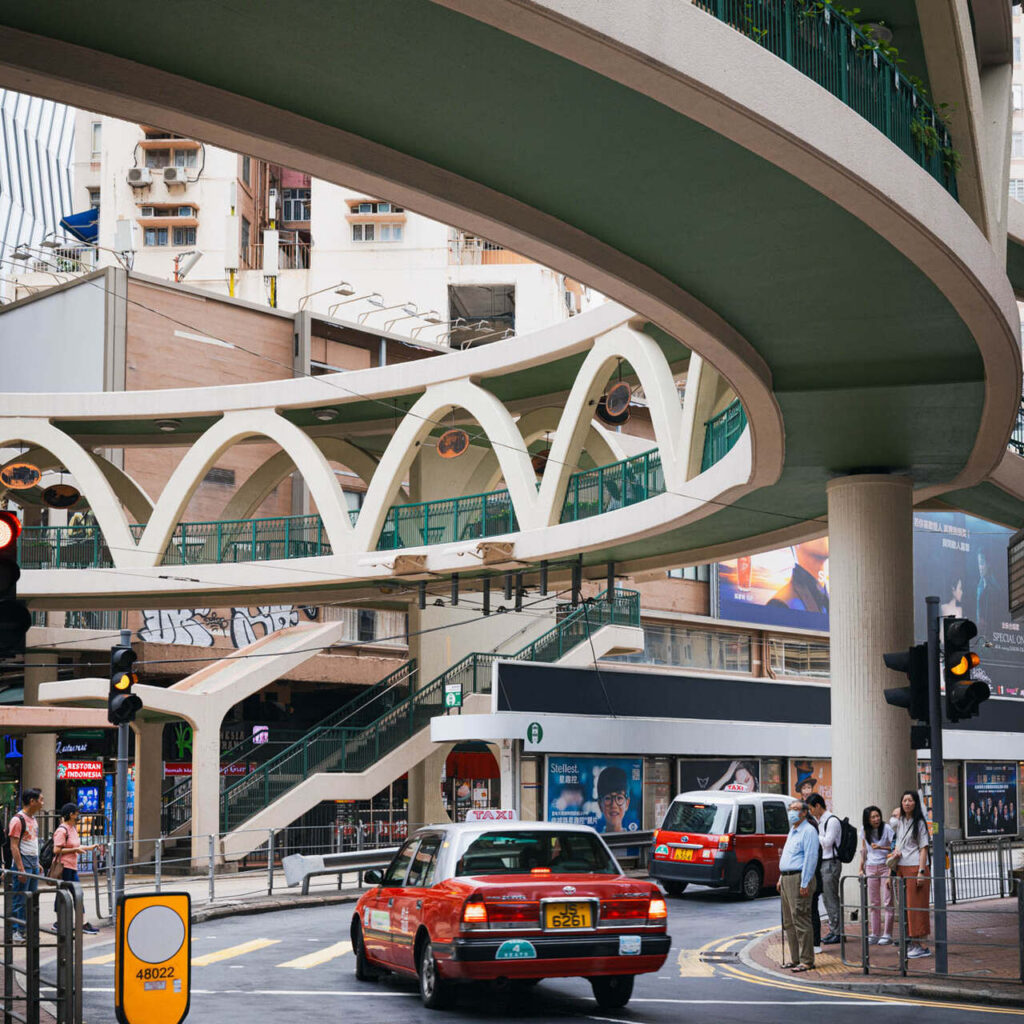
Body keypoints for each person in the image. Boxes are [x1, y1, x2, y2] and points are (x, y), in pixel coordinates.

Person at [777, 800, 819, 972]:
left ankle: (807, 960)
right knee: (789, 921)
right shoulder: (793, 830)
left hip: (799, 878)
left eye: (795, 809)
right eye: (790, 809)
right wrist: (781, 877)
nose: (791, 812)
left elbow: (810, 857)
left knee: (801, 918)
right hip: (787, 878)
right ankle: (795, 959)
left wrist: (804, 882)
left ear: (804, 812)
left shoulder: (808, 831)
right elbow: (788, 856)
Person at [890, 790, 932, 958]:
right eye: (904, 800)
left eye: (910, 800)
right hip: (902, 867)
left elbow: (923, 848)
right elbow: (891, 821)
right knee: (906, 909)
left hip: (916, 868)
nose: (907, 803)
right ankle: (912, 943)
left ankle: (921, 945)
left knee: (917, 908)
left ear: (916, 803)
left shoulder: (919, 823)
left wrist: (921, 872)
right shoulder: (901, 822)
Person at [48, 804, 102, 935]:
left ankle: (73, 922)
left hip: (72, 867)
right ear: (71, 814)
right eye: (77, 813)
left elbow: (75, 845)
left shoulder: (72, 828)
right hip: (64, 867)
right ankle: (74, 923)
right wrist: (75, 850)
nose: (79, 815)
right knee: (69, 894)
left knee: (70, 894)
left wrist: (89, 847)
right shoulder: (62, 830)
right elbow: (56, 850)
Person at [7, 788, 43, 945]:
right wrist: (21, 869)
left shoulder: (33, 819)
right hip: (24, 865)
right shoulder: (17, 820)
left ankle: (27, 930)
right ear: (32, 801)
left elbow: (32, 842)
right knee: (20, 898)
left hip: (33, 864)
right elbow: (14, 846)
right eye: (40, 799)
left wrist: (37, 862)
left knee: (31, 899)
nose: (42, 802)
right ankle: (17, 930)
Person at [806, 793, 842, 945]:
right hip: (824, 863)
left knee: (831, 898)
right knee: (827, 899)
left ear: (818, 806)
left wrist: (814, 835)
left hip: (831, 863)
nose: (810, 812)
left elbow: (827, 842)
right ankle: (834, 930)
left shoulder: (832, 820)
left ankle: (838, 932)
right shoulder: (821, 821)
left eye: (810, 808)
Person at [858, 806, 894, 945]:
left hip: (886, 866)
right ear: (867, 819)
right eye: (873, 817)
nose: (876, 819)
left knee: (887, 901)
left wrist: (881, 848)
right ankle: (875, 933)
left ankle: (888, 934)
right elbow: (864, 850)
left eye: (877, 816)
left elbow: (895, 847)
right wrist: (860, 868)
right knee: (874, 903)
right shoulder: (864, 830)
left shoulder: (887, 829)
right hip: (870, 867)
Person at [596, 765, 632, 833]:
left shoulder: (633, 840)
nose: (614, 805)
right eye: (608, 798)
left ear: (627, 803)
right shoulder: (595, 840)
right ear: (600, 804)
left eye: (619, 798)